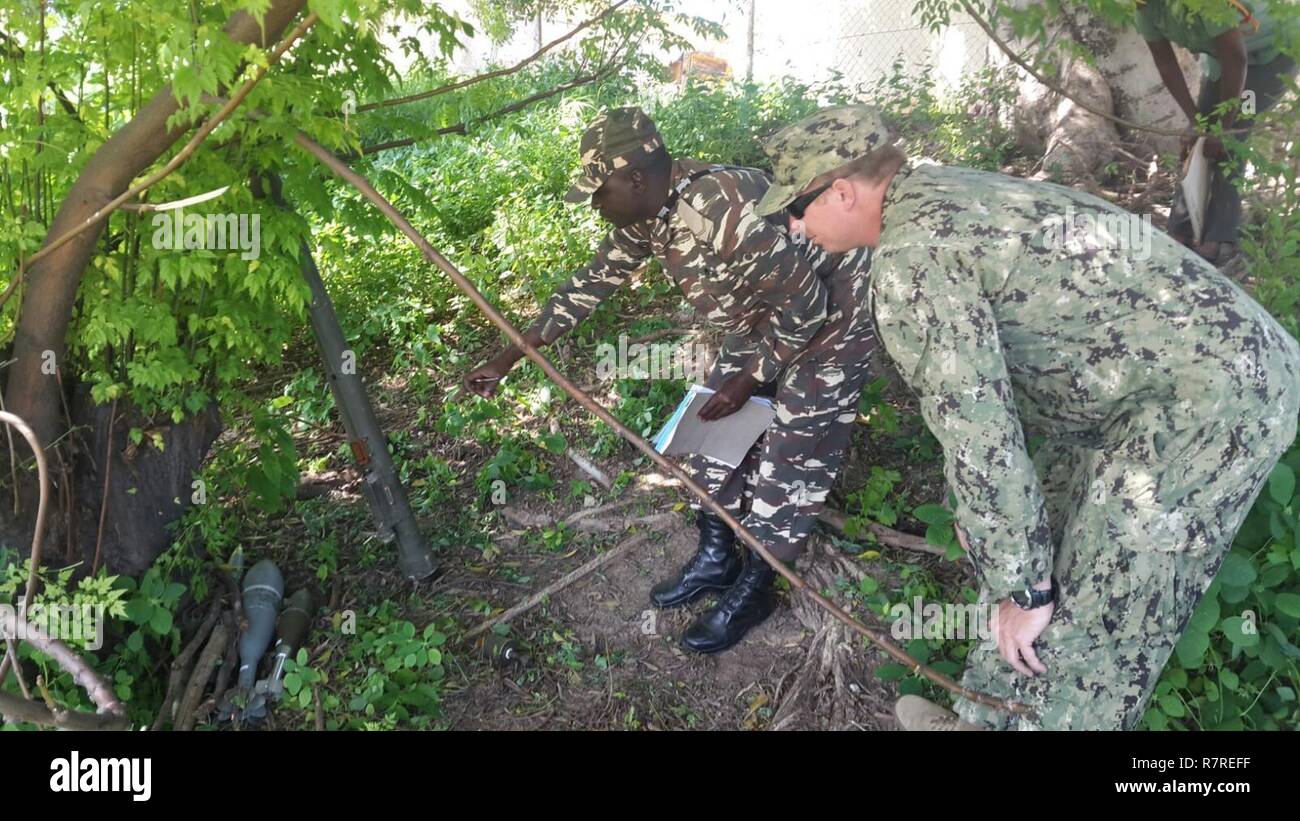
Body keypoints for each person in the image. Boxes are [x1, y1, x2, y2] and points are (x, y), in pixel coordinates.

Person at [756, 104, 1300, 729]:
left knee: (1103, 615)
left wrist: (1024, 586)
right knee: (1035, 550)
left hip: (1209, 403)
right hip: (1134, 395)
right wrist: (997, 540)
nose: (794, 227)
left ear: (844, 191)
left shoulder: (915, 257)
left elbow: (979, 432)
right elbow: (985, 419)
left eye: (795, 208)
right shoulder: (939, 192)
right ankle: (981, 720)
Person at [465, 106, 877, 653]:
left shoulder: (718, 204)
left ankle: (759, 584)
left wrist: (752, 378)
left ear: (635, 178)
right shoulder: (648, 214)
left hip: (831, 324)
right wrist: (508, 357)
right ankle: (716, 557)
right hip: (763, 321)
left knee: (791, 454)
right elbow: (591, 283)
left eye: (599, 193)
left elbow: (807, 305)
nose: (596, 206)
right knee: (713, 438)